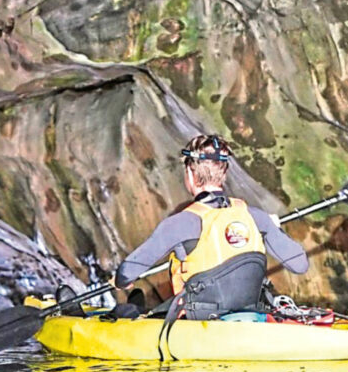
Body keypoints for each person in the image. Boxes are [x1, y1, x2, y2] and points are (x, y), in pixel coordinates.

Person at [115, 134, 309, 319]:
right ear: (224, 173)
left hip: (198, 321)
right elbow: (300, 265)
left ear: (190, 173)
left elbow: (125, 273)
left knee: (128, 308)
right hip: (249, 315)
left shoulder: (181, 223)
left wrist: (121, 281)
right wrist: (273, 228)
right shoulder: (255, 216)